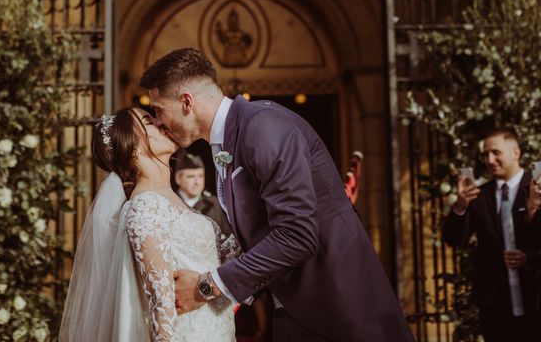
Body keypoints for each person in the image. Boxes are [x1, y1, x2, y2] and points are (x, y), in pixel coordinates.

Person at [140, 48, 414, 342]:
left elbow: (298, 234)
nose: (157, 121)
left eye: (157, 110)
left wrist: (209, 286)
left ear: (186, 102)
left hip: (340, 309)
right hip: (295, 313)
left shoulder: (262, 126)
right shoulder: (228, 141)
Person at [59, 109, 237, 341]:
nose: (160, 121)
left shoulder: (169, 199)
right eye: (148, 121)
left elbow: (217, 262)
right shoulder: (145, 206)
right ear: (133, 149)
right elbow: (161, 308)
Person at [442, 128, 541, 342]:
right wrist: (460, 206)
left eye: (496, 152)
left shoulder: (536, 188)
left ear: (516, 152)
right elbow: (453, 239)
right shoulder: (479, 196)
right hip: (494, 305)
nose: (490, 159)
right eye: (486, 154)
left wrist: (529, 258)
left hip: (534, 299)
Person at [174, 149, 232, 237]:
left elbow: (228, 237)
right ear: (178, 179)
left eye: (200, 176)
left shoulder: (215, 203)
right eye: (191, 177)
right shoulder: (169, 202)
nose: (197, 182)